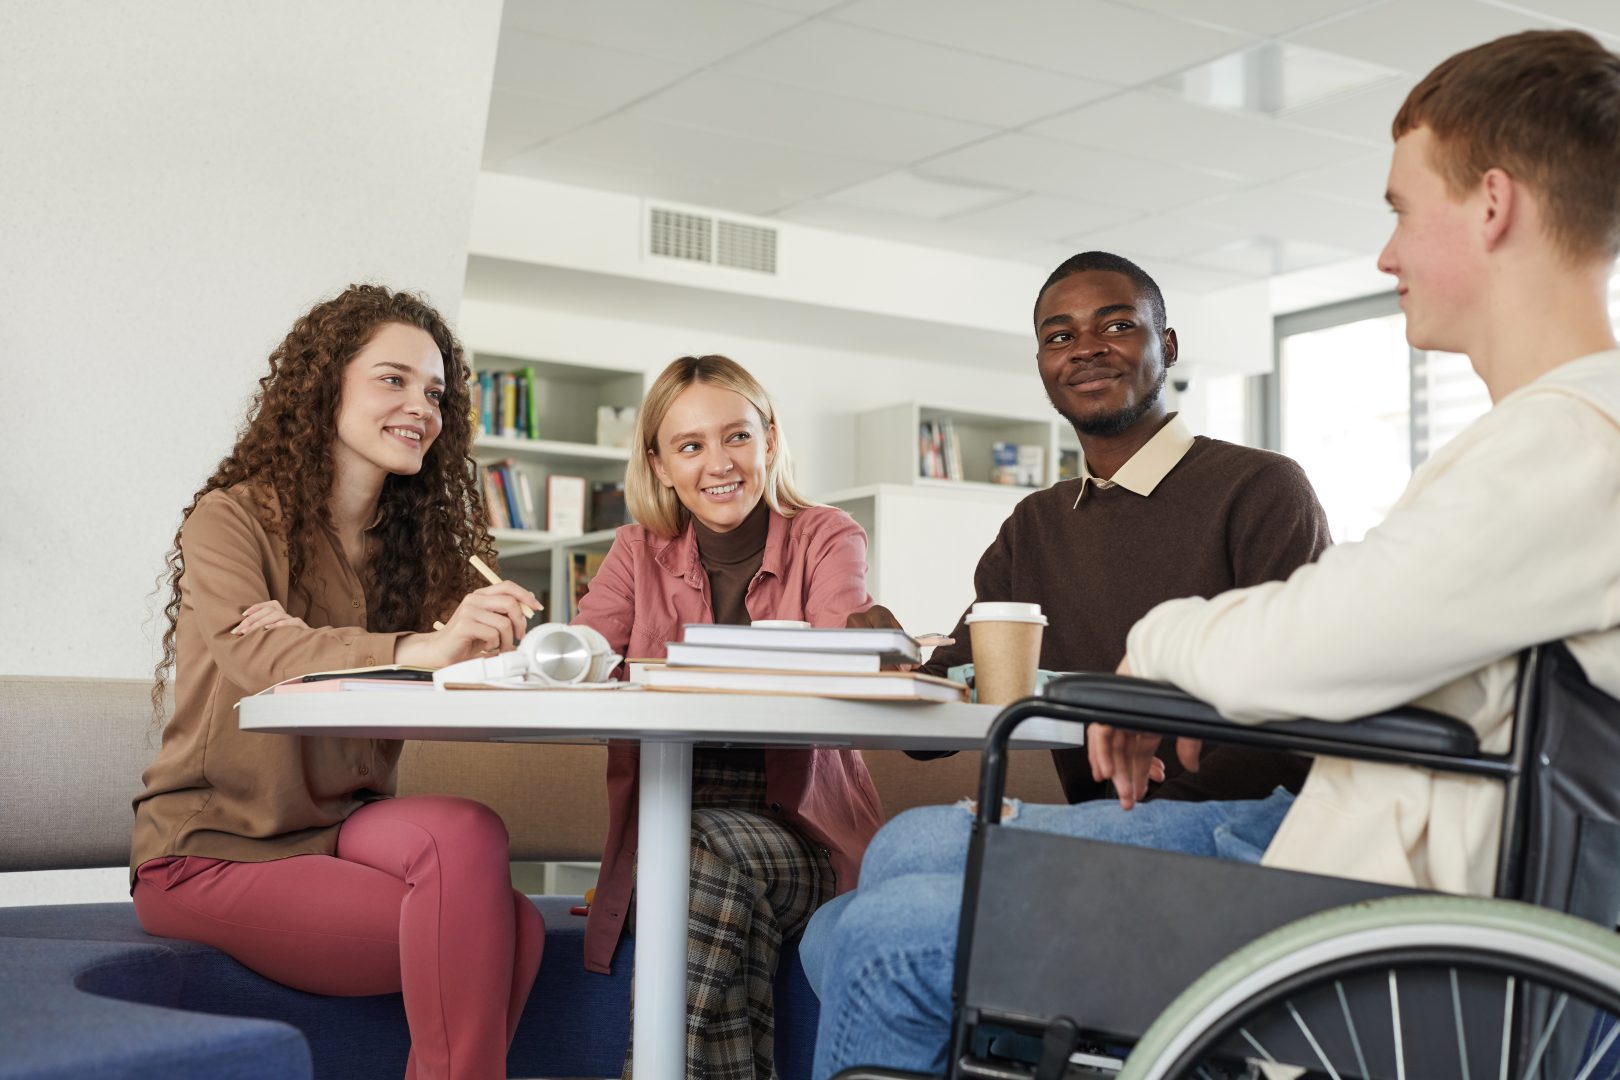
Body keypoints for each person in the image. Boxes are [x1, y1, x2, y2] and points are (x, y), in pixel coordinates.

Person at [811, 28, 1620, 1079]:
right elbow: (1347, 621)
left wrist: (1153, 650)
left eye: (1400, 210)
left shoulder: (1566, 446)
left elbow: (1311, 639)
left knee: (876, 942)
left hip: (1379, 925)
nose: (1386, 254)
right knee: (886, 884)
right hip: (1353, 860)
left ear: (1493, 205)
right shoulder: (1546, 437)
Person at [797, 250, 1331, 992]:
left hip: (1239, 824)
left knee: (905, 849)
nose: (1085, 348)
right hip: (1108, 830)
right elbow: (960, 678)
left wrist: (1142, 808)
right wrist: (888, 657)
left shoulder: (1260, 488)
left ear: (1166, 346)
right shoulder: (1037, 524)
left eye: (1116, 325)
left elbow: (1295, 699)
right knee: (831, 929)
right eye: (1058, 336)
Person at [132, 285, 546, 1080]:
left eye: (434, 392)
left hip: (340, 827)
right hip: (216, 847)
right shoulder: (232, 519)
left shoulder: (418, 553)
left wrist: (488, 652)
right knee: (506, 930)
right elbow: (258, 662)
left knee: (470, 834)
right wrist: (416, 648)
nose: (420, 407)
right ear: (326, 388)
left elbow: (413, 672)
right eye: (392, 380)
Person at [572, 354, 883, 1080]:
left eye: (737, 436)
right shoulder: (633, 551)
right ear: (658, 464)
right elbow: (591, 642)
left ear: (769, 440)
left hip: (800, 841)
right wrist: (560, 648)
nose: (720, 462)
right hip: (674, 844)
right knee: (700, 866)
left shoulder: (826, 536)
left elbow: (843, 632)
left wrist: (866, 633)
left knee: (696, 853)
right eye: (690, 445)